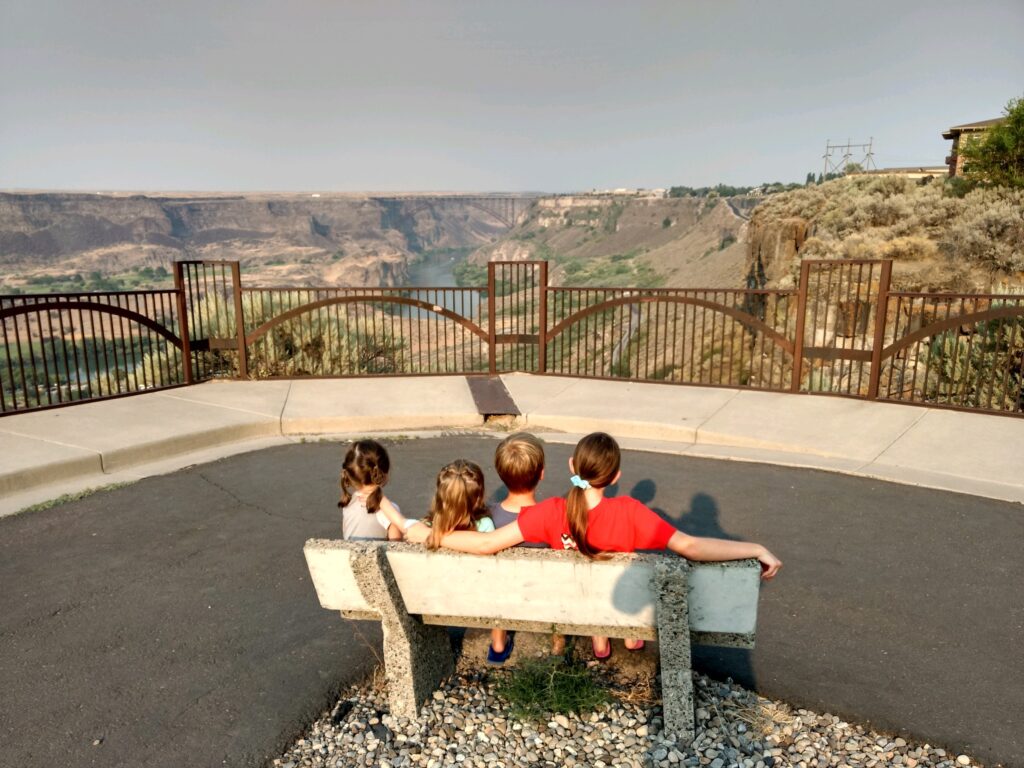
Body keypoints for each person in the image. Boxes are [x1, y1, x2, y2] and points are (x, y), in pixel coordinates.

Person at [424, 432, 783, 660]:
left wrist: (432, 534)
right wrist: (754, 548)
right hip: (617, 609)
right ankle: (618, 639)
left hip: (568, 607)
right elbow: (690, 546)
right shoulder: (632, 512)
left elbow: (487, 545)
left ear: (571, 466)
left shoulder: (550, 511)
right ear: (614, 477)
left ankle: (598, 639)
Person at [486, 433, 558, 665]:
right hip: (541, 594)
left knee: (498, 580)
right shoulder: (553, 517)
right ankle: (558, 643)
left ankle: (498, 641)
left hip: (501, 594)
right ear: (541, 473)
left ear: (500, 472)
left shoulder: (487, 517)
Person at [379, 459, 495, 550]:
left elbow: (403, 523)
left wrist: (380, 498)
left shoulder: (426, 527)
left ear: (439, 496)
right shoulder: (484, 526)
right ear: (478, 499)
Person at [338, 439, 402, 541]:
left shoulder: (347, 504)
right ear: (384, 474)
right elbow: (396, 549)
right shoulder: (390, 511)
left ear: (350, 475)